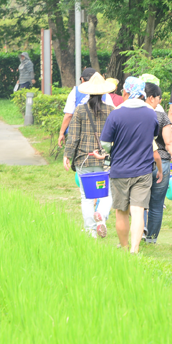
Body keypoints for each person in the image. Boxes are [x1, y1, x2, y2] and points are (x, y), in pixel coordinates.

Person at [99, 77, 161, 253]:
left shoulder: (116, 113)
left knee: (121, 211)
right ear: (142, 93)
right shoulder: (151, 113)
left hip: (119, 169)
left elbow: (105, 143)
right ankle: (134, 249)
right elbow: (153, 136)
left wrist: (113, 150)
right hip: (143, 170)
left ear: (125, 92)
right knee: (138, 210)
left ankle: (125, 247)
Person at [64, 73, 116, 238]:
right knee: (106, 193)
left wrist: (67, 155)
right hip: (104, 161)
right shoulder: (111, 111)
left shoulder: (80, 110)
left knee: (86, 197)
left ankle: (90, 231)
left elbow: (73, 136)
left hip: (84, 159)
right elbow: (116, 136)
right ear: (103, 92)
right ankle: (101, 215)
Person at [144, 81, 172, 243]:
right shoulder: (161, 116)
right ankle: (151, 239)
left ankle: (140, 232)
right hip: (162, 162)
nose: (159, 101)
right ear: (151, 97)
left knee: (139, 201)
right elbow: (169, 142)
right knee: (156, 204)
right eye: (159, 98)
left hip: (140, 162)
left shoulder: (134, 115)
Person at [58, 68, 113, 146]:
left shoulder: (75, 91)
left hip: (80, 136)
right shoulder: (106, 95)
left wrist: (61, 133)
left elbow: (69, 115)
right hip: (101, 136)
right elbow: (112, 116)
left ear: (82, 79)